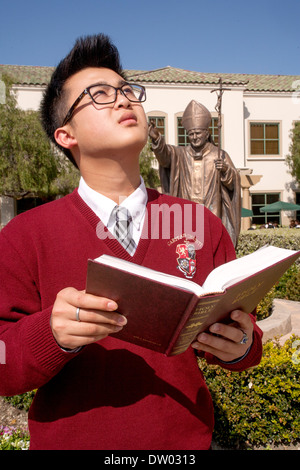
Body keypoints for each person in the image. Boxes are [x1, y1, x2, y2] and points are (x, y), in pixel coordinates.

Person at [0, 34, 262, 450]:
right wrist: (50, 333)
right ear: (65, 135)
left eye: (127, 91)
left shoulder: (200, 223)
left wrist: (241, 346)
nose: (124, 100)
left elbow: (241, 342)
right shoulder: (23, 237)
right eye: (99, 95)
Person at [149, 101, 241, 247]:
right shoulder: (180, 154)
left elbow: (233, 185)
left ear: (207, 133)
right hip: (186, 214)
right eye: (191, 134)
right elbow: (165, 156)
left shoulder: (219, 155)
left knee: (211, 250)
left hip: (212, 213)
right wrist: (157, 139)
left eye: (198, 133)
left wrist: (225, 170)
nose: (194, 137)